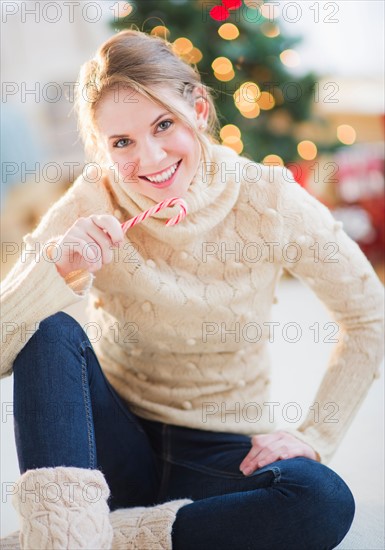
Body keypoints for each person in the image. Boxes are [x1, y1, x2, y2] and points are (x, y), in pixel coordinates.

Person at [1, 28, 384, 550]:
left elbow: (369, 318)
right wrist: (57, 270)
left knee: (322, 499)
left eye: (164, 124)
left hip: (222, 451)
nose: (152, 157)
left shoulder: (268, 199)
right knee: (49, 329)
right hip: (110, 446)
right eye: (122, 143)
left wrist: (315, 435)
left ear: (199, 110)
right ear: (103, 149)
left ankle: (88, 537)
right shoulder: (94, 198)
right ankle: (70, 532)